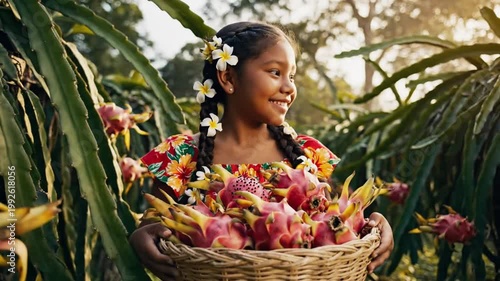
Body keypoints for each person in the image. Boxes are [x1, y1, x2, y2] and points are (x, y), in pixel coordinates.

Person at [129, 21, 394, 281]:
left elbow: (335, 221)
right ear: (228, 78)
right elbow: (154, 229)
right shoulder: (181, 156)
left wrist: (375, 223)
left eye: (291, 76)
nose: (289, 87)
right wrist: (140, 237)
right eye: (275, 72)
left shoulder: (308, 154)